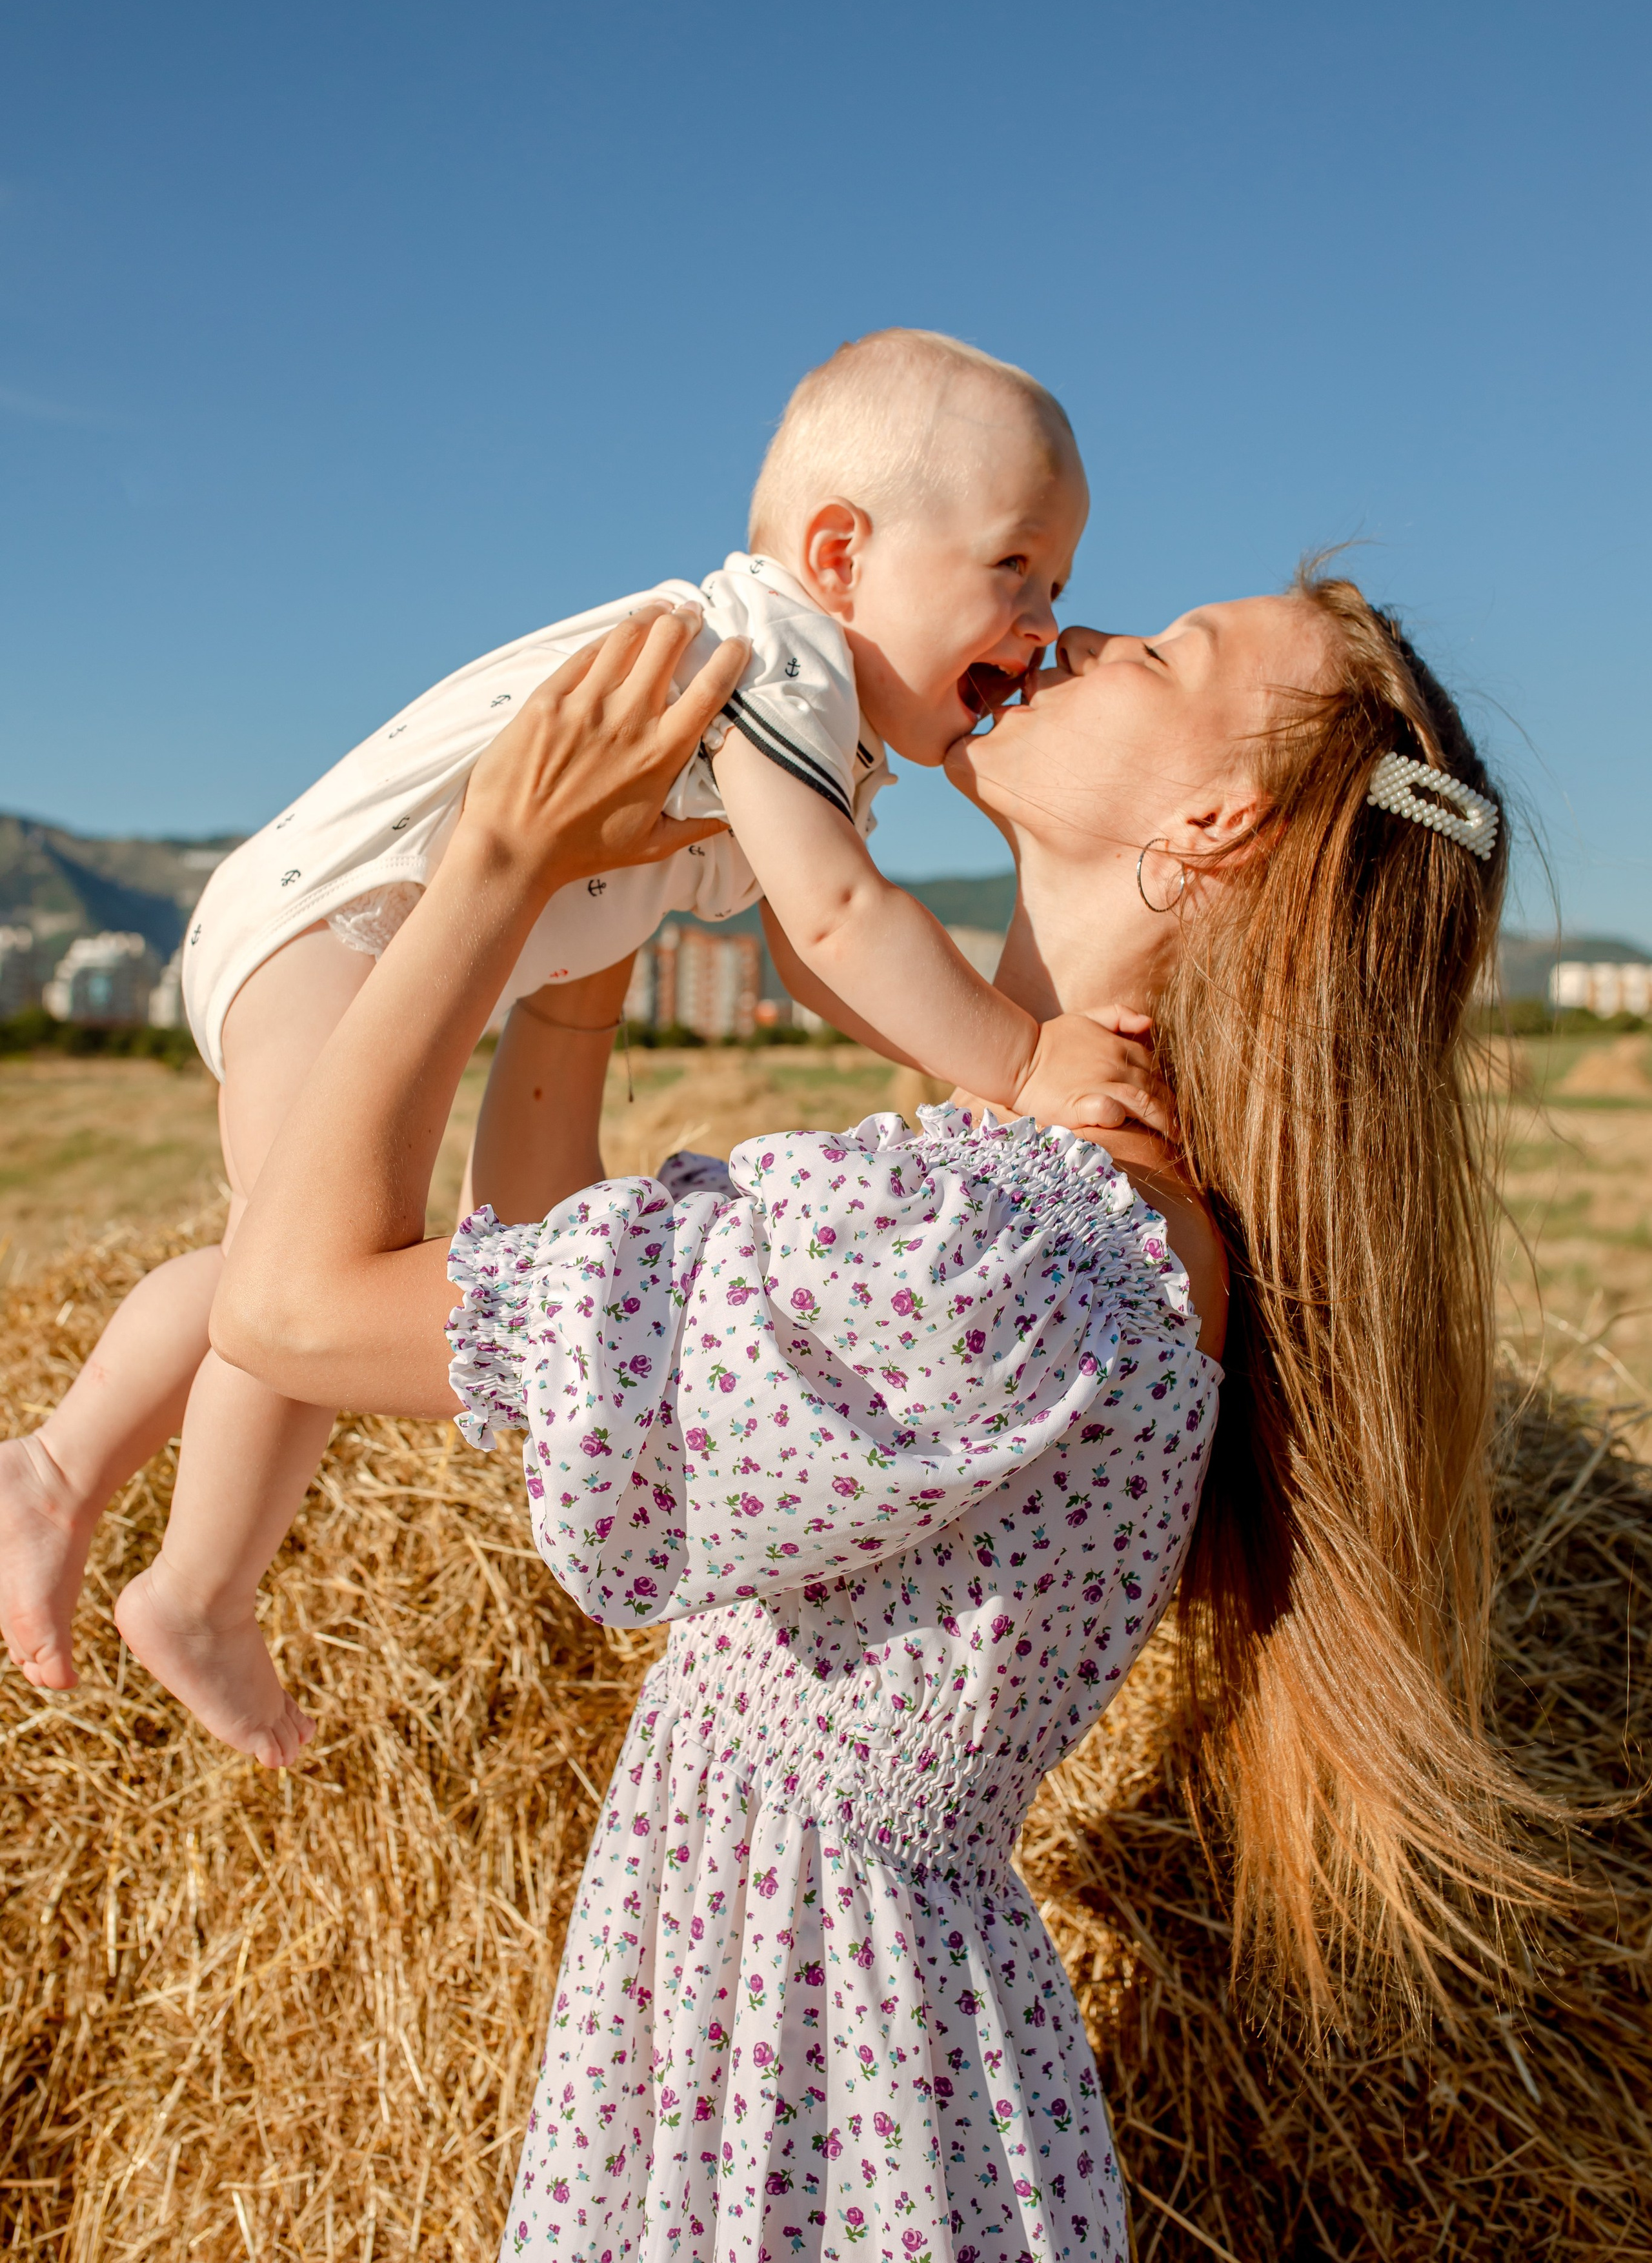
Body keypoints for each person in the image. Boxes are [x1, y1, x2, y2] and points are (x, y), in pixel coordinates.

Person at [210, 560, 1521, 2263]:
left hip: (798, 2083)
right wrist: (590, 938)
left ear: (1215, 824)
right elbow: (556, 1305)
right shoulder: (1064, 1217)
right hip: (818, 2038)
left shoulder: (1004, 1258)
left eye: (1161, 652)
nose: (1076, 636)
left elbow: (290, 1307)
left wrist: (498, 864)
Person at [0, 330, 1169, 1765]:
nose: (1044, 622)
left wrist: (982, 1067)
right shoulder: (777, 658)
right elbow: (838, 919)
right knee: (298, 1278)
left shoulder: (806, 707)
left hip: (337, 919)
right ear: (840, 554)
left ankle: (64, 1476)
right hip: (342, 920)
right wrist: (1023, 1065)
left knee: (277, 1251)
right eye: (1014, 567)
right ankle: (185, 1585)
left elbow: (814, 958)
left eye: (1059, 583)